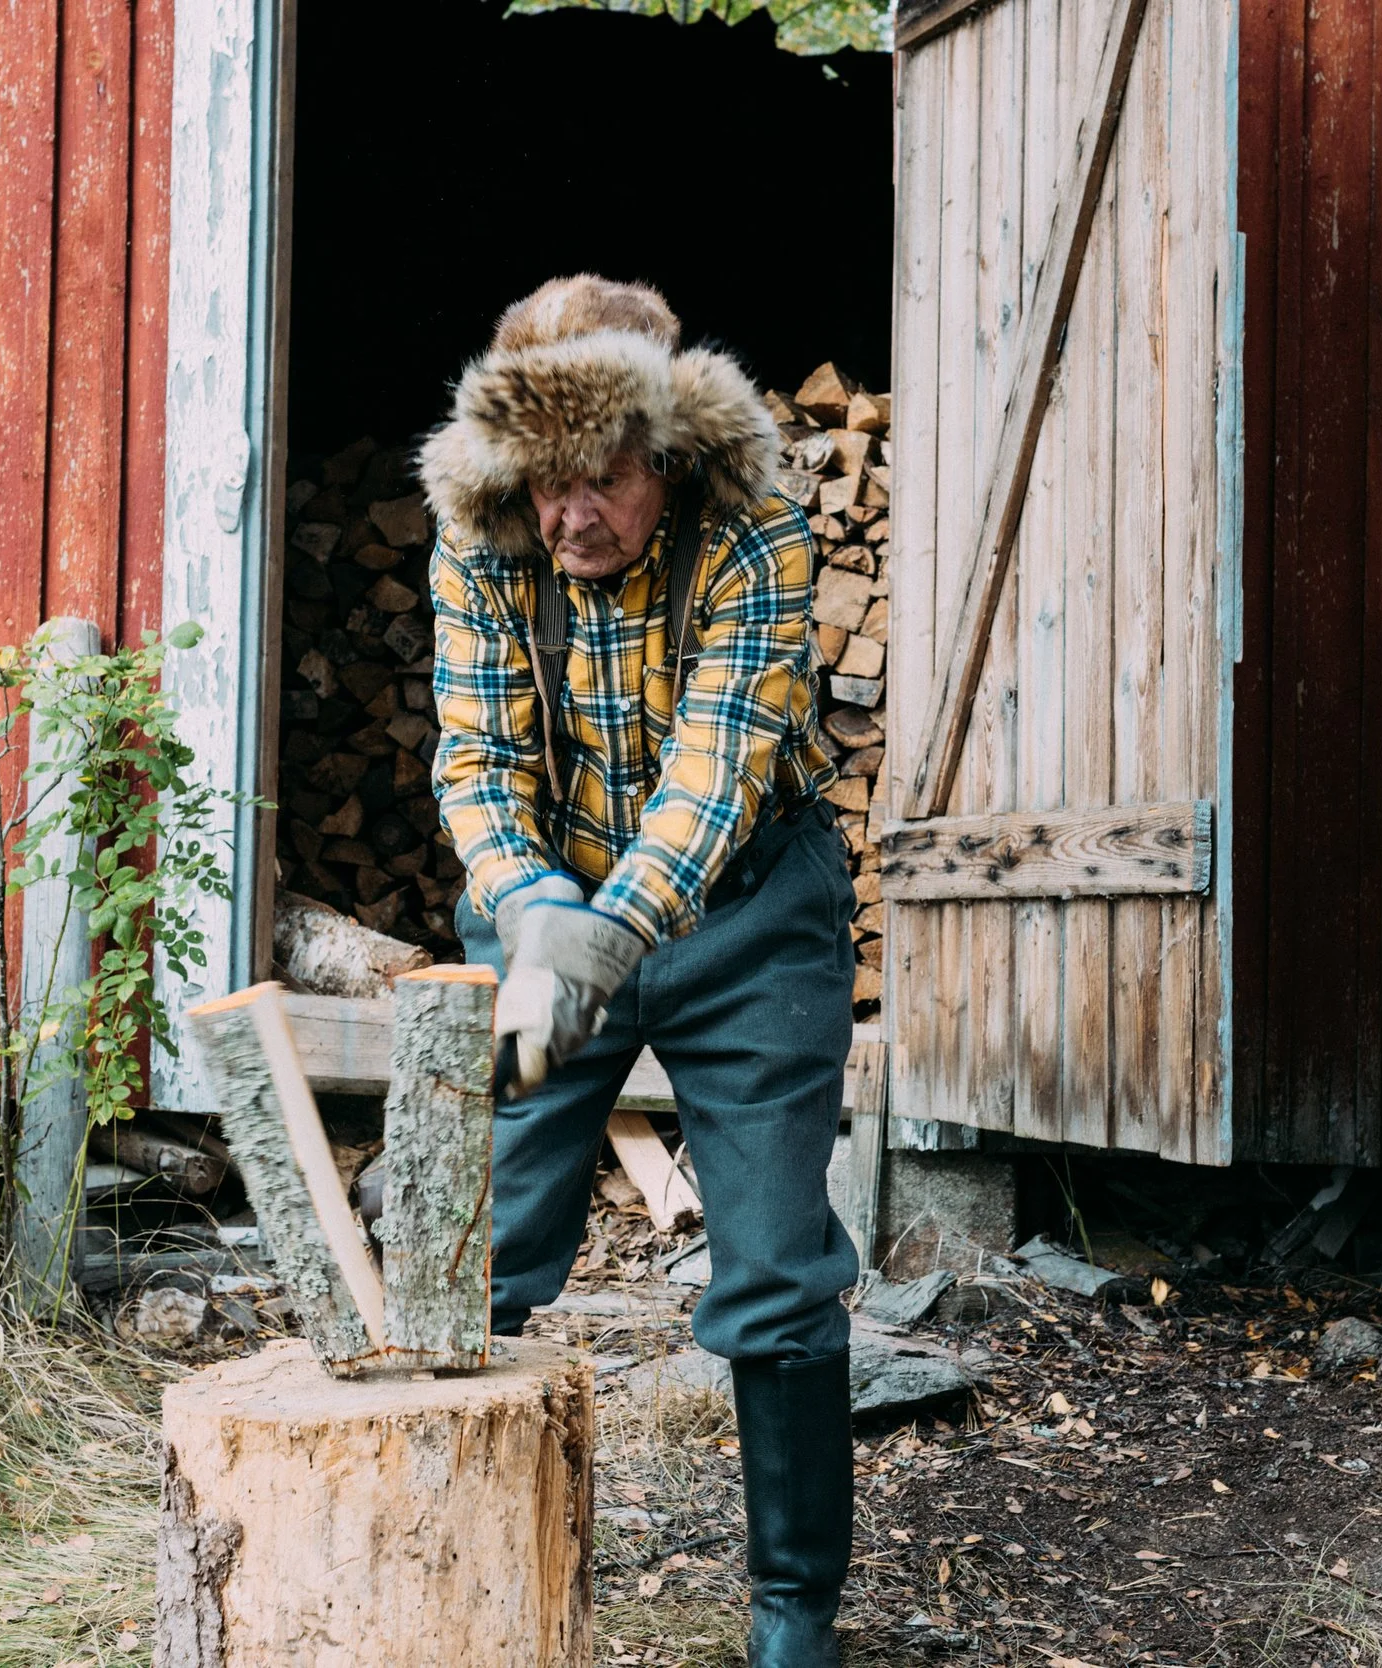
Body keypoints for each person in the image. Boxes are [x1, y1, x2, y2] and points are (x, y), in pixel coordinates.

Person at [420, 274, 859, 1666]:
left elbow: (721, 765)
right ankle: (446, 1585)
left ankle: (793, 1617)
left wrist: (605, 938)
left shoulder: (754, 528)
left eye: (601, 480)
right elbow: (477, 760)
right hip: (547, 913)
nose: (570, 518)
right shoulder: (483, 534)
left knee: (781, 1275)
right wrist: (541, 919)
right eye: (546, 485)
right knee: (476, 1245)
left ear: (663, 456)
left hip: (743, 915)